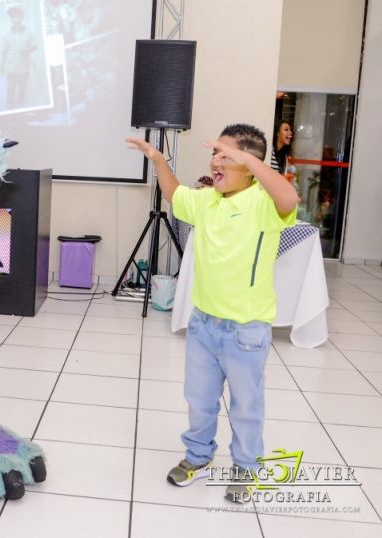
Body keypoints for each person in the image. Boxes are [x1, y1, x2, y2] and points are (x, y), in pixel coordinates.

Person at [127, 124, 299, 503]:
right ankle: (198, 457)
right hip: (203, 325)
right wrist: (158, 159)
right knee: (199, 399)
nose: (216, 161)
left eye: (227, 155)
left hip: (246, 331)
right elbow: (174, 195)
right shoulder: (208, 200)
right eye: (216, 153)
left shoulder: (263, 204)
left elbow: (288, 197)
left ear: (250, 165)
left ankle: (247, 469)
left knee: (246, 406)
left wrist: (252, 160)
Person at [1, 5, 36, 108]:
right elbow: (4, 50)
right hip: (10, 67)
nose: (15, 19)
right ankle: (9, 102)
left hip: (24, 68)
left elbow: (34, 46)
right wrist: (2, 65)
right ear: (10, 19)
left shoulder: (29, 32)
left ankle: (21, 101)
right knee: (10, 88)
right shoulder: (6, 34)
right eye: (12, 17)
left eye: (17, 16)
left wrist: (28, 50)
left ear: (22, 17)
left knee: (22, 87)